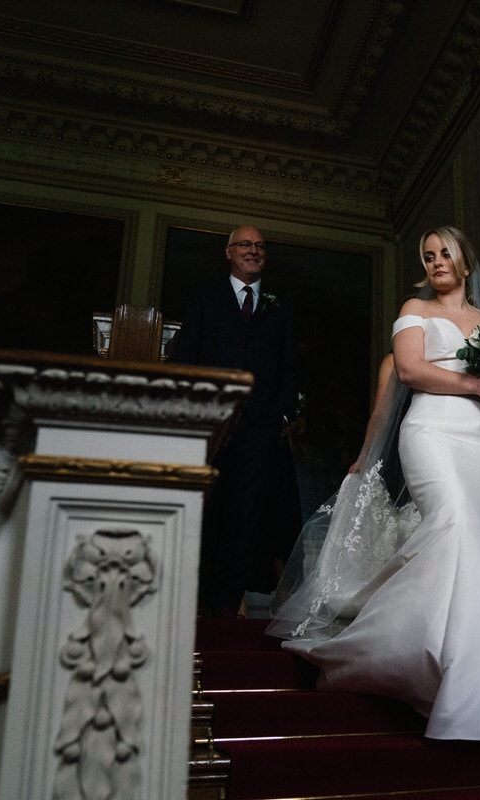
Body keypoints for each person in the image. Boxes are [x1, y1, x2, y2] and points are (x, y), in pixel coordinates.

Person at [268, 225, 480, 740]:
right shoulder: (416, 311)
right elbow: (408, 371)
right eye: (428, 256)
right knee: (454, 526)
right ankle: (439, 672)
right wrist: (473, 385)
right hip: (432, 432)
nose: (436, 262)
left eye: (445, 253)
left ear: (466, 262)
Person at [170, 225, 301, 619]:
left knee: (247, 514)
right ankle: (198, 597)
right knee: (208, 507)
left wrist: (282, 413)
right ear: (228, 252)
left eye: (260, 246)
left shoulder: (281, 307)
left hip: (260, 428)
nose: (253, 250)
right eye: (245, 244)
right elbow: (185, 359)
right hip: (211, 424)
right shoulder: (204, 298)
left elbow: (289, 367)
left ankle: (229, 603)